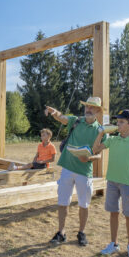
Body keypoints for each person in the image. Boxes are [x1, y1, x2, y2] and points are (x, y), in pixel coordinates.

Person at [46, 97, 105, 246]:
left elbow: (99, 154)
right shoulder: (77, 121)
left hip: (84, 172)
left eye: (92, 107)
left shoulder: (101, 131)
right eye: (86, 106)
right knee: (62, 202)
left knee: (84, 204)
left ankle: (82, 232)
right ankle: (61, 232)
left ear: (98, 111)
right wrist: (54, 112)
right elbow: (62, 118)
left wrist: (90, 158)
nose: (88, 109)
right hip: (67, 168)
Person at [92, 109, 129, 257]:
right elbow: (95, 149)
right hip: (112, 182)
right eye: (117, 121)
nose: (118, 124)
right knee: (113, 212)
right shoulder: (112, 140)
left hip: (128, 184)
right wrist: (101, 133)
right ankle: (114, 244)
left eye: (121, 122)